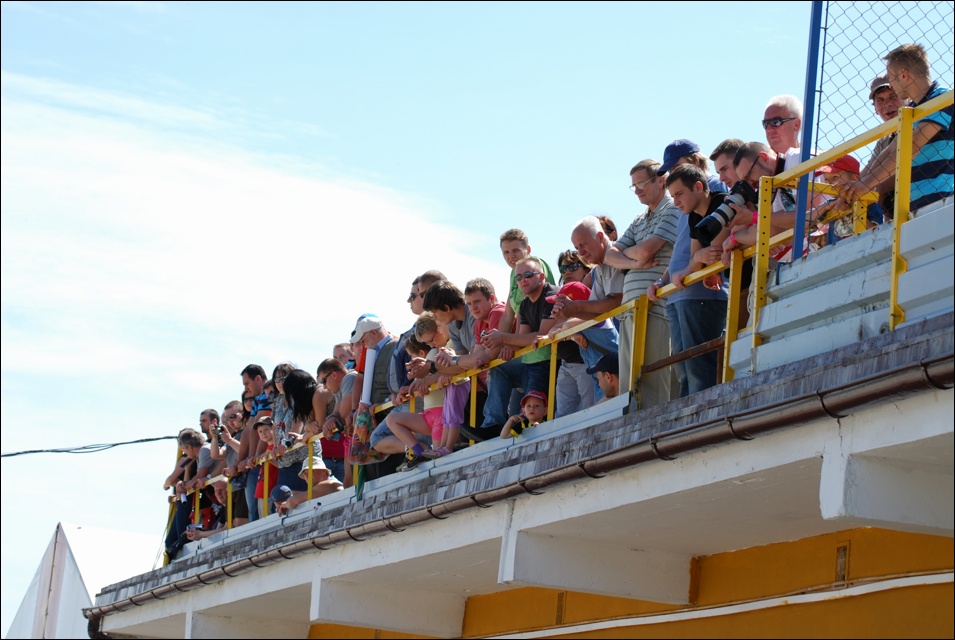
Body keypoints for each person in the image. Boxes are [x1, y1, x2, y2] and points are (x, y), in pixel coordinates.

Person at [840, 43, 952, 213]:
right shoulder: (912, 110)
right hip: (915, 207)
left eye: (891, 78)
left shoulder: (942, 97)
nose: (891, 84)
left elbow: (912, 145)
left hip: (944, 202)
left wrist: (865, 185)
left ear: (903, 74)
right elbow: (892, 149)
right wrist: (855, 187)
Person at [604, 159, 680, 407]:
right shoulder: (639, 220)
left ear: (660, 181)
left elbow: (648, 250)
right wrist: (636, 263)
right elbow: (609, 255)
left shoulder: (672, 209)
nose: (636, 190)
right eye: (633, 186)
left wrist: (631, 256)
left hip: (655, 306)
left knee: (654, 381)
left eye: (641, 183)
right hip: (631, 310)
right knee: (632, 384)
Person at [649, 164, 729, 397]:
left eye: (679, 194)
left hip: (707, 295)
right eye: (672, 196)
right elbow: (697, 256)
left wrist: (696, 261)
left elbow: (713, 251)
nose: (675, 202)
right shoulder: (693, 215)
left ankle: (702, 411)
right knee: (684, 368)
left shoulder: (722, 203)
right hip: (684, 293)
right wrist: (696, 261)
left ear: (698, 187)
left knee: (698, 367)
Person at [480, 257, 558, 431]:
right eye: (519, 277)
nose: (523, 280)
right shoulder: (524, 303)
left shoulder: (551, 296)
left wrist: (502, 338)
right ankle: (493, 425)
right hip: (531, 361)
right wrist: (503, 346)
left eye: (528, 275)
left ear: (542, 276)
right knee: (499, 368)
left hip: (550, 361)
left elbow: (541, 336)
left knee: (532, 413)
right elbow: (522, 339)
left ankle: (522, 426)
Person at [351, 314, 402, 478]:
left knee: (390, 470)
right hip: (378, 417)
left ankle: (416, 447)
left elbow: (399, 383)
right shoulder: (374, 351)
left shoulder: (395, 346)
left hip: (391, 416)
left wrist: (385, 402)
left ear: (373, 333)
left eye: (363, 339)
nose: (362, 344)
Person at [862, 73, 908, 218]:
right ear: (875, 109)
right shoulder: (884, 140)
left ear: (908, 97)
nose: (887, 104)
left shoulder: (920, 124)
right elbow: (866, 174)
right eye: (880, 100)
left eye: (893, 96)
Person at [239, 364, 272, 522]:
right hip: (258, 459)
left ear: (258, 379)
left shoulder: (266, 395)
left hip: (265, 458)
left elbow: (258, 427)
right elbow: (249, 429)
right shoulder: (259, 398)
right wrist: (243, 460)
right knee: (254, 510)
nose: (246, 389)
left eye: (247, 383)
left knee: (260, 511)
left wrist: (253, 457)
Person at [315, 357, 355, 487]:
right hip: (354, 436)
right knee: (348, 482)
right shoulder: (340, 387)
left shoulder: (349, 378)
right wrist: (330, 420)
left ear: (334, 375)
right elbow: (336, 413)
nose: (324, 387)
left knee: (352, 482)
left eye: (324, 381)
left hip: (363, 434)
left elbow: (343, 414)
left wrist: (330, 422)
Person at [212, 399, 249, 526]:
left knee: (242, 522)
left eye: (232, 417)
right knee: (234, 524)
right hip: (234, 485)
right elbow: (216, 454)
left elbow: (246, 451)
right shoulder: (234, 436)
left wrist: (229, 440)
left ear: (242, 414)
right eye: (227, 419)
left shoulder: (248, 431)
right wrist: (215, 437)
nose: (230, 422)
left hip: (244, 482)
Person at [273, 457, 344, 516]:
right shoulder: (321, 488)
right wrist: (280, 500)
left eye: (310, 471)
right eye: (305, 473)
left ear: (323, 471)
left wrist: (284, 505)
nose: (307, 476)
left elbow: (291, 502)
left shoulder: (329, 483)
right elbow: (303, 494)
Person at [656, 139, 728, 194]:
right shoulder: (681, 196)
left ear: (696, 160)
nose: (673, 174)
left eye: (677, 168)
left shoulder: (715, 185)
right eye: (670, 171)